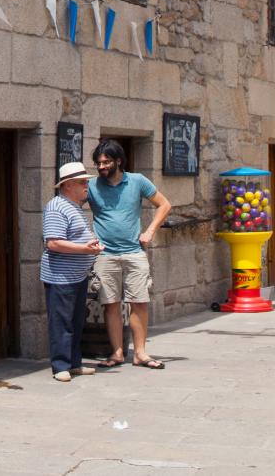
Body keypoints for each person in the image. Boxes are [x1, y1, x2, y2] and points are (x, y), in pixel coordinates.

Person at [87, 139, 173, 369]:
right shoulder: (92, 186)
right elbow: (73, 205)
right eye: (98, 163)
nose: (102, 166)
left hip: (134, 252)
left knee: (140, 302)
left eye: (106, 162)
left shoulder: (137, 181)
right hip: (105, 255)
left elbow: (164, 205)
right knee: (111, 304)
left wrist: (150, 231)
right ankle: (116, 353)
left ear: (118, 161)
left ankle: (140, 354)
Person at [41, 161, 103, 383]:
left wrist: (90, 246)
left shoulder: (73, 206)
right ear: (68, 185)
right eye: (82, 182)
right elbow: (54, 243)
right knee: (62, 322)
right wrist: (85, 248)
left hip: (76, 275)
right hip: (60, 276)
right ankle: (60, 366)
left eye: (86, 182)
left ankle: (74, 363)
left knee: (76, 321)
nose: (87, 186)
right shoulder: (57, 207)